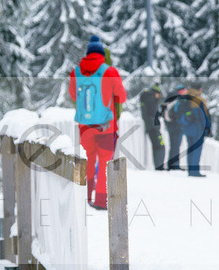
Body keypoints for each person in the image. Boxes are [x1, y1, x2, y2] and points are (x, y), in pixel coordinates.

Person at [69, 35, 127, 210]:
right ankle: (101, 201)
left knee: (87, 159)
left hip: (84, 126)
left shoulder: (76, 72)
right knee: (103, 162)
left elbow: (73, 96)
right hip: (105, 127)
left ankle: (85, 196)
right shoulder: (108, 72)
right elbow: (122, 97)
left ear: (87, 54)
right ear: (102, 54)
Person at [172, 84, 211, 177]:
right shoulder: (199, 99)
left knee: (190, 148)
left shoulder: (185, 98)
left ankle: (190, 170)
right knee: (197, 149)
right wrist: (207, 128)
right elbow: (203, 116)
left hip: (187, 127)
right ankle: (194, 171)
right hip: (197, 127)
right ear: (200, 89)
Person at [138, 83, 166, 171]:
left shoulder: (147, 99)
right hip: (153, 127)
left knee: (156, 146)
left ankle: (158, 165)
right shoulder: (151, 100)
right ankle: (159, 166)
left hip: (150, 126)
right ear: (155, 93)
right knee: (160, 146)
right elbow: (153, 114)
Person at [163, 85, 188, 170]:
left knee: (173, 145)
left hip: (170, 124)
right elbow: (179, 113)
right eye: (184, 90)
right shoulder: (178, 99)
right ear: (180, 91)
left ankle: (171, 164)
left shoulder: (171, 98)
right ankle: (175, 165)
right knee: (176, 145)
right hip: (177, 125)